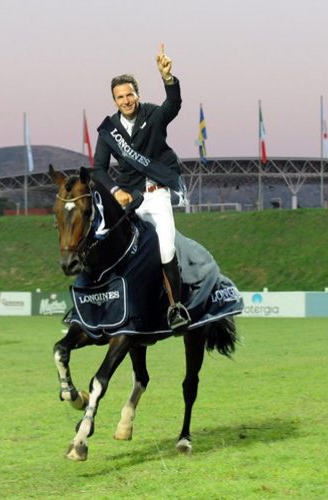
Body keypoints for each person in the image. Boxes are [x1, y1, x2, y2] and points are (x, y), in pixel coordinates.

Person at [91, 43, 190, 333]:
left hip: (157, 197)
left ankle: (175, 308)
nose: (126, 100)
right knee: (104, 244)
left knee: (166, 249)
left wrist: (167, 77)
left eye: (129, 94)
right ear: (114, 100)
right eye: (120, 97)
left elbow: (174, 104)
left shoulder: (153, 115)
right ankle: (103, 304)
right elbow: (98, 169)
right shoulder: (108, 130)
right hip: (129, 200)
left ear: (137, 94)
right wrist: (114, 191)